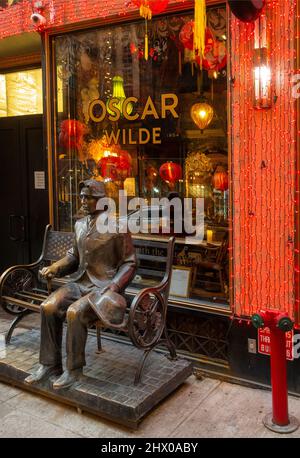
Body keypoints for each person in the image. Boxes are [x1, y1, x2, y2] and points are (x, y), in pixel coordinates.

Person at [25, 179, 136, 389]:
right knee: (47, 307)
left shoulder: (118, 225)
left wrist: (114, 286)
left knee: (75, 313)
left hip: (101, 288)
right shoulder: (79, 224)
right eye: (82, 197)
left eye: (89, 197)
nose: (83, 201)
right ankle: (49, 365)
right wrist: (54, 268)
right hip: (80, 283)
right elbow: (73, 257)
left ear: (102, 200)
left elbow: (130, 263)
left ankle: (74, 370)